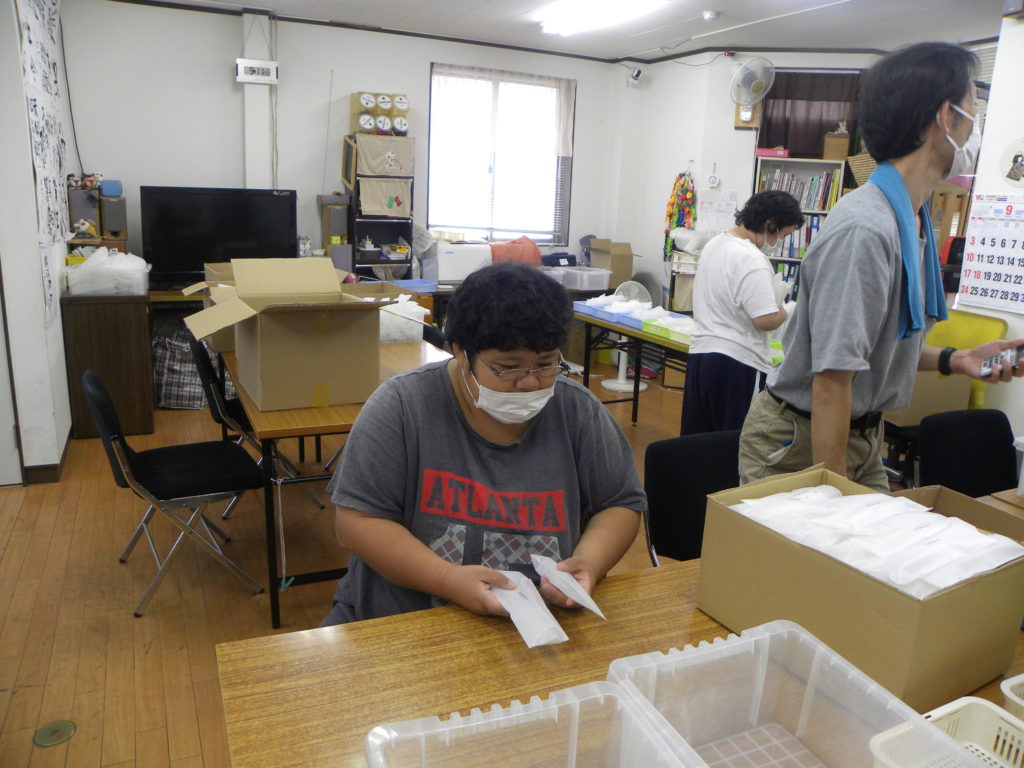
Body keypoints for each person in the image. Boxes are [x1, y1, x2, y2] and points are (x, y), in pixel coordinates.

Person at [739, 41, 1024, 491]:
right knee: (829, 538)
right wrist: (836, 498)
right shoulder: (866, 228)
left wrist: (958, 359)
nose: (976, 127)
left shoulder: (912, 219)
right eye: (974, 109)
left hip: (861, 436)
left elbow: (874, 351)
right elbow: (831, 381)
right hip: (799, 440)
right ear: (945, 117)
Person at [321, 262, 645, 624]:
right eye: (508, 367)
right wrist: (446, 579)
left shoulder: (577, 411)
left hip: (539, 623)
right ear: (461, 352)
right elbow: (356, 521)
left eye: (545, 364)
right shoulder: (401, 407)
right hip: (404, 621)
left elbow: (619, 503)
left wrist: (590, 562)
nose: (530, 382)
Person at [681, 190, 804, 434]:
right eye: (782, 235)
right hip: (736, 363)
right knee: (732, 442)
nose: (778, 243)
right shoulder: (752, 259)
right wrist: (789, 308)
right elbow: (766, 320)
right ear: (770, 224)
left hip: (700, 355)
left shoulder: (715, 244)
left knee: (698, 440)